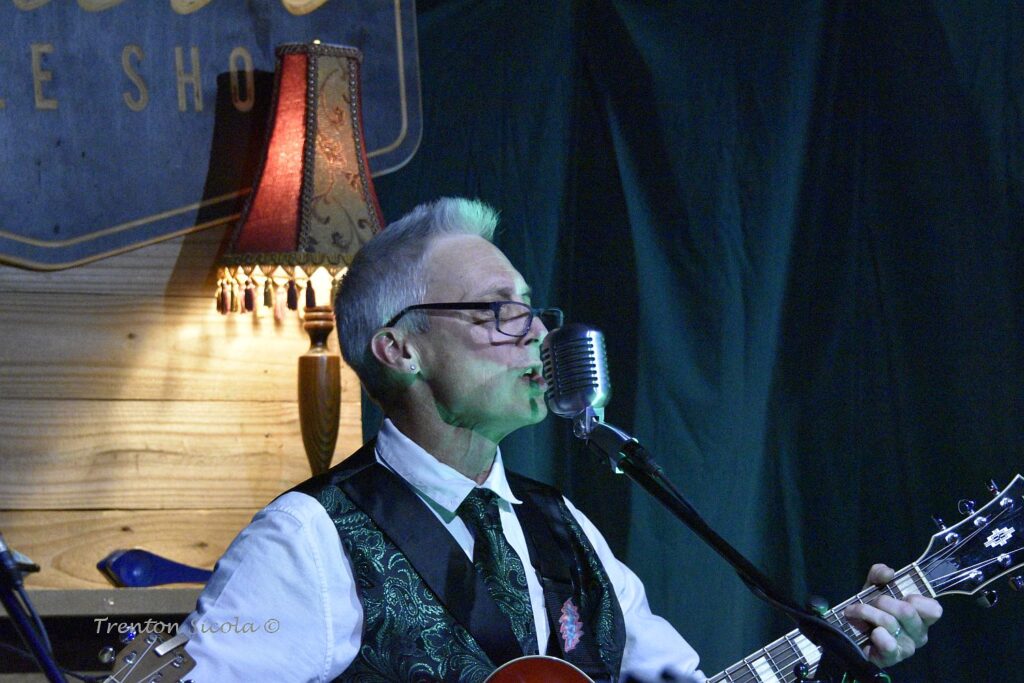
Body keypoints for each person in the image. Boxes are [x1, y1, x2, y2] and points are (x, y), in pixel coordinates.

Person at [181, 197, 942, 682]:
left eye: (533, 309)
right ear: (399, 348)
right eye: (496, 311)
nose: (538, 334)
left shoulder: (564, 529)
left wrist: (842, 651)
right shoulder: (307, 540)